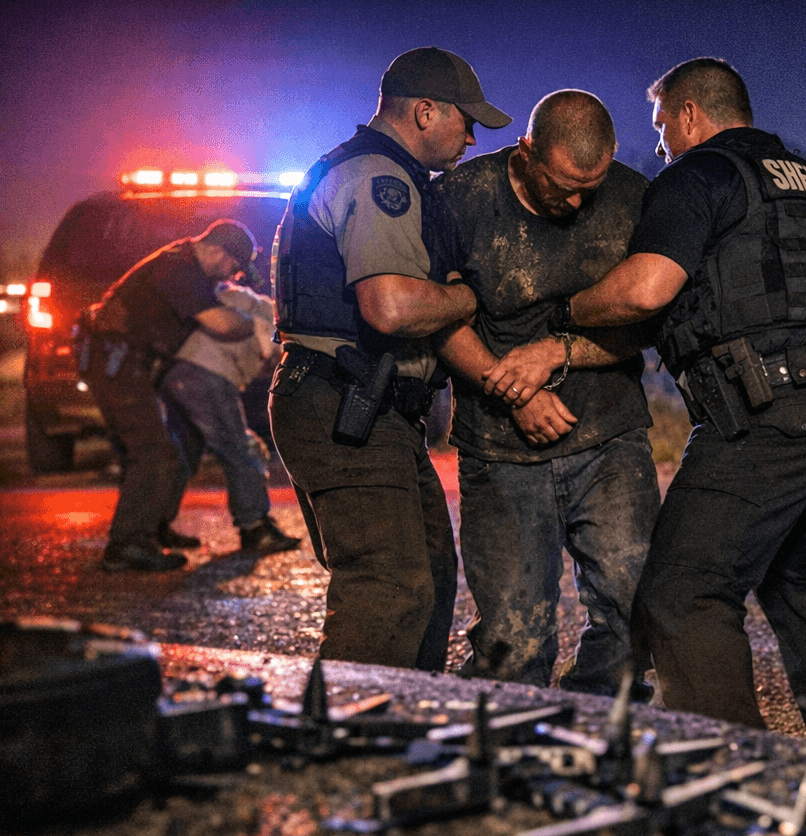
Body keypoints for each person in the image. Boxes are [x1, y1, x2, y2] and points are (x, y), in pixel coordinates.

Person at [495, 58, 806, 760]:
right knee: (791, 580)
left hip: (767, 414)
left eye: (660, 127)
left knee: (682, 595)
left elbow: (647, 291)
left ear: (689, 115)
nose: (659, 146)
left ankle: (730, 768)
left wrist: (561, 313)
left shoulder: (701, 174)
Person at [268, 47, 510, 671]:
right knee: (389, 585)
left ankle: (401, 726)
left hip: (365, 407)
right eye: (467, 119)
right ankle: (349, 740)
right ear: (426, 111)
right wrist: (467, 295)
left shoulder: (368, 170)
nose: (473, 136)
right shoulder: (381, 177)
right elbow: (391, 307)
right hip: (347, 405)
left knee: (426, 572)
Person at [432, 90, 660, 697]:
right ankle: (508, 752)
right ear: (527, 153)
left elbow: (652, 317)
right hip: (499, 448)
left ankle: (593, 728)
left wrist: (557, 349)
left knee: (635, 614)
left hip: (610, 437)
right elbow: (440, 319)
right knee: (514, 635)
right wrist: (515, 394)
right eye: (564, 186)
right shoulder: (462, 199)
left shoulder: (636, 198)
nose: (580, 200)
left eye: (594, 182)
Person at [82, 219, 260, 572]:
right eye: (232, 266)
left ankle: (154, 527)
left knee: (178, 450)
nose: (231, 276)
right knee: (154, 453)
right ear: (214, 250)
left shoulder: (183, 264)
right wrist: (252, 321)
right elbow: (222, 324)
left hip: (126, 363)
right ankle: (128, 545)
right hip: (117, 363)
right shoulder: (180, 271)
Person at [161, 279, 303, 555]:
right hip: (207, 375)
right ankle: (255, 528)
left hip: (182, 374)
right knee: (241, 450)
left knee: (182, 455)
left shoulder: (252, 304)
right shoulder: (265, 311)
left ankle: (153, 525)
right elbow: (266, 350)